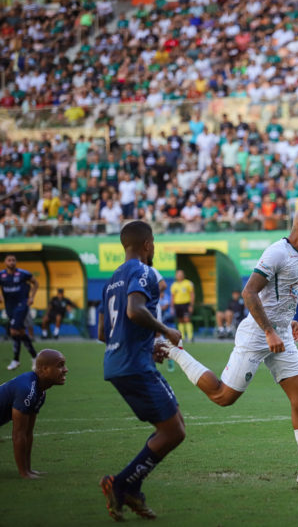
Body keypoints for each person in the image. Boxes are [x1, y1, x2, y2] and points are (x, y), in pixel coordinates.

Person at [160, 207, 298, 492]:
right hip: (258, 334)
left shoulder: (297, 256)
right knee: (223, 397)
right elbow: (249, 292)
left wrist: (287, 322)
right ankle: (175, 350)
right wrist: (268, 330)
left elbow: (276, 298)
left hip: (280, 334)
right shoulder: (277, 252)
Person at [98, 221, 185, 520]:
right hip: (134, 365)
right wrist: (165, 331)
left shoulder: (111, 281)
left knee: (172, 427)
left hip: (117, 363)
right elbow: (135, 311)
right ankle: (120, 484)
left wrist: (147, 344)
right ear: (148, 244)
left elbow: (102, 332)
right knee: (174, 431)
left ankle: (132, 490)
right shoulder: (144, 272)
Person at [0, 349, 68, 478]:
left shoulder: (40, 391)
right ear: (43, 370)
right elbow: (18, 435)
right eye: (60, 365)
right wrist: (24, 473)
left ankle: (28, 470)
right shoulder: (27, 390)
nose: (65, 369)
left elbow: (28, 433)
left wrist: (29, 470)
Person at [1, 254, 38, 370]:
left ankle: (16, 359)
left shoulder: (23, 274)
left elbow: (35, 283)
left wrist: (31, 297)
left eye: (13, 260)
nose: (11, 262)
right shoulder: (1, 275)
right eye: (9, 260)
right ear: (5, 262)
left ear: (16, 262)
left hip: (22, 305)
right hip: (9, 306)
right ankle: (34, 356)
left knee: (13, 330)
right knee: (20, 332)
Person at [170, 270, 195, 343]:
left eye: (181, 274)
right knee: (180, 320)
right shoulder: (174, 285)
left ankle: (190, 337)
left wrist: (191, 305)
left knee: (187, 319)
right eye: (178, 274)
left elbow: (192, 294)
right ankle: (182, 337)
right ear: (176, 276)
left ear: (184, 275)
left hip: (186, 304)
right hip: (177, 305)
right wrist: (172, 306)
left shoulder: (188, 283)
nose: (179, 276)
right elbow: (172, 296)